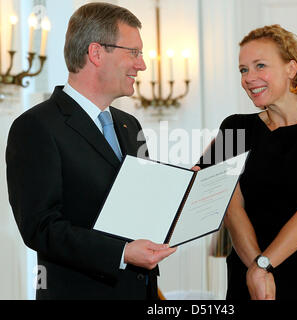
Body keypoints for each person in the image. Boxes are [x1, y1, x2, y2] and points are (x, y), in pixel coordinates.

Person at [6, 3, 176, 300]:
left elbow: (140, 204)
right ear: (96, 53)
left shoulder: (129, 124)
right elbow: (41, 227)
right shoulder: (35, 126)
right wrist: (122, 252)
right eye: (133, 52)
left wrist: (181, 194)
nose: (142, 65)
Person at [198, 24, 297, 300]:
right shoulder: (234, 127)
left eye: (260, 65)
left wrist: (264, 265)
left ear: (291, 68)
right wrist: (256, 269)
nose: (250, 78)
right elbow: (230, 208)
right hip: (247, 268)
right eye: (243, 70)